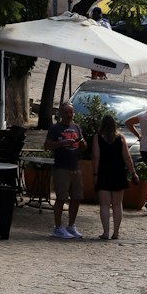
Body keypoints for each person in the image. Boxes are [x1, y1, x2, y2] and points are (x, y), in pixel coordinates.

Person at [91, 112, 138, 240]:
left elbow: (96, 157)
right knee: (117, 204)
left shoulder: (97, 138)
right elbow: (127, 157)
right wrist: (133, 172)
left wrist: (95, 174)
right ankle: (116, 232)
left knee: (104, 205)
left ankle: (105, 232)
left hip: (104, 172)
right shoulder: (120, 138)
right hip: (118, 172)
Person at [45, 100, 84, 239]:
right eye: (66, 112)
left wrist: (83, 144)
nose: (69, 115)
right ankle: (58, 227)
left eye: (71, 112)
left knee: (77, 197)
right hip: (61, 167)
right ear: (61, 113)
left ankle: (71, 225)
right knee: (61, 198)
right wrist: (61, 143)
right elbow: (47, 145)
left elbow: (82, 146)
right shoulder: (55, 128)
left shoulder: (76, 127)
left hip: (75, 167)